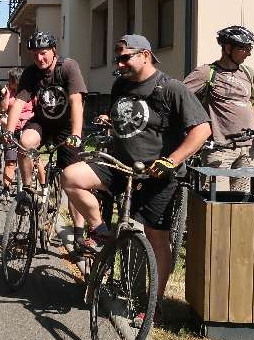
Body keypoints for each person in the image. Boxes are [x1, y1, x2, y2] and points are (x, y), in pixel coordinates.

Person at [63, 35, 211, 319]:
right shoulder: (120, 85)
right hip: (120, 166)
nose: (119, 64)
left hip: (157, 174)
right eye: (117, 59)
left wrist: (171, 161)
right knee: (71, 177)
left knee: (156, 237)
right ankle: (101, 231)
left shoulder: (171, 88)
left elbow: (202, 129)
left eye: (124, 58)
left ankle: (154, 303)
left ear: (144, 55)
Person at [4, 32, 88, 242]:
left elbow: (76, 102)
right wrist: (8, 132)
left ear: (53, 51)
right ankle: (28, 191)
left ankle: (78, 234)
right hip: (42, 122)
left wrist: (76, 134)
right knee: (25, 142)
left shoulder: (67, 67)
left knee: (73, 180)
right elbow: (19, 103)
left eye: (43, 53)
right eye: (35, 55)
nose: (39, 58)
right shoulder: (31, 72)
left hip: (67, 127)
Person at [184, 25, 254, 191]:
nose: (249, 53)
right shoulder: (206, 73)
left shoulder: (249, 73)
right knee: (216, 201)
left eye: (250, 48)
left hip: (248, 149)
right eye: (244, 48)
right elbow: (180, 97)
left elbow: (250, 105)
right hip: (219, 150)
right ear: (228, 48)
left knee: (243, 200)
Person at [0, 72, 37, 193]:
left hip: (28, 128)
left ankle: (42, 188)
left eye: (11, 80)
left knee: (33, 159)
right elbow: (3, 109)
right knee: (10, 161)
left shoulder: (29, 92)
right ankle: (6, 188)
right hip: (13, 130)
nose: (8, 82)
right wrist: (7, 95)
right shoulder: (9, 92)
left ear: (16, 80)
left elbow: (37, 108)